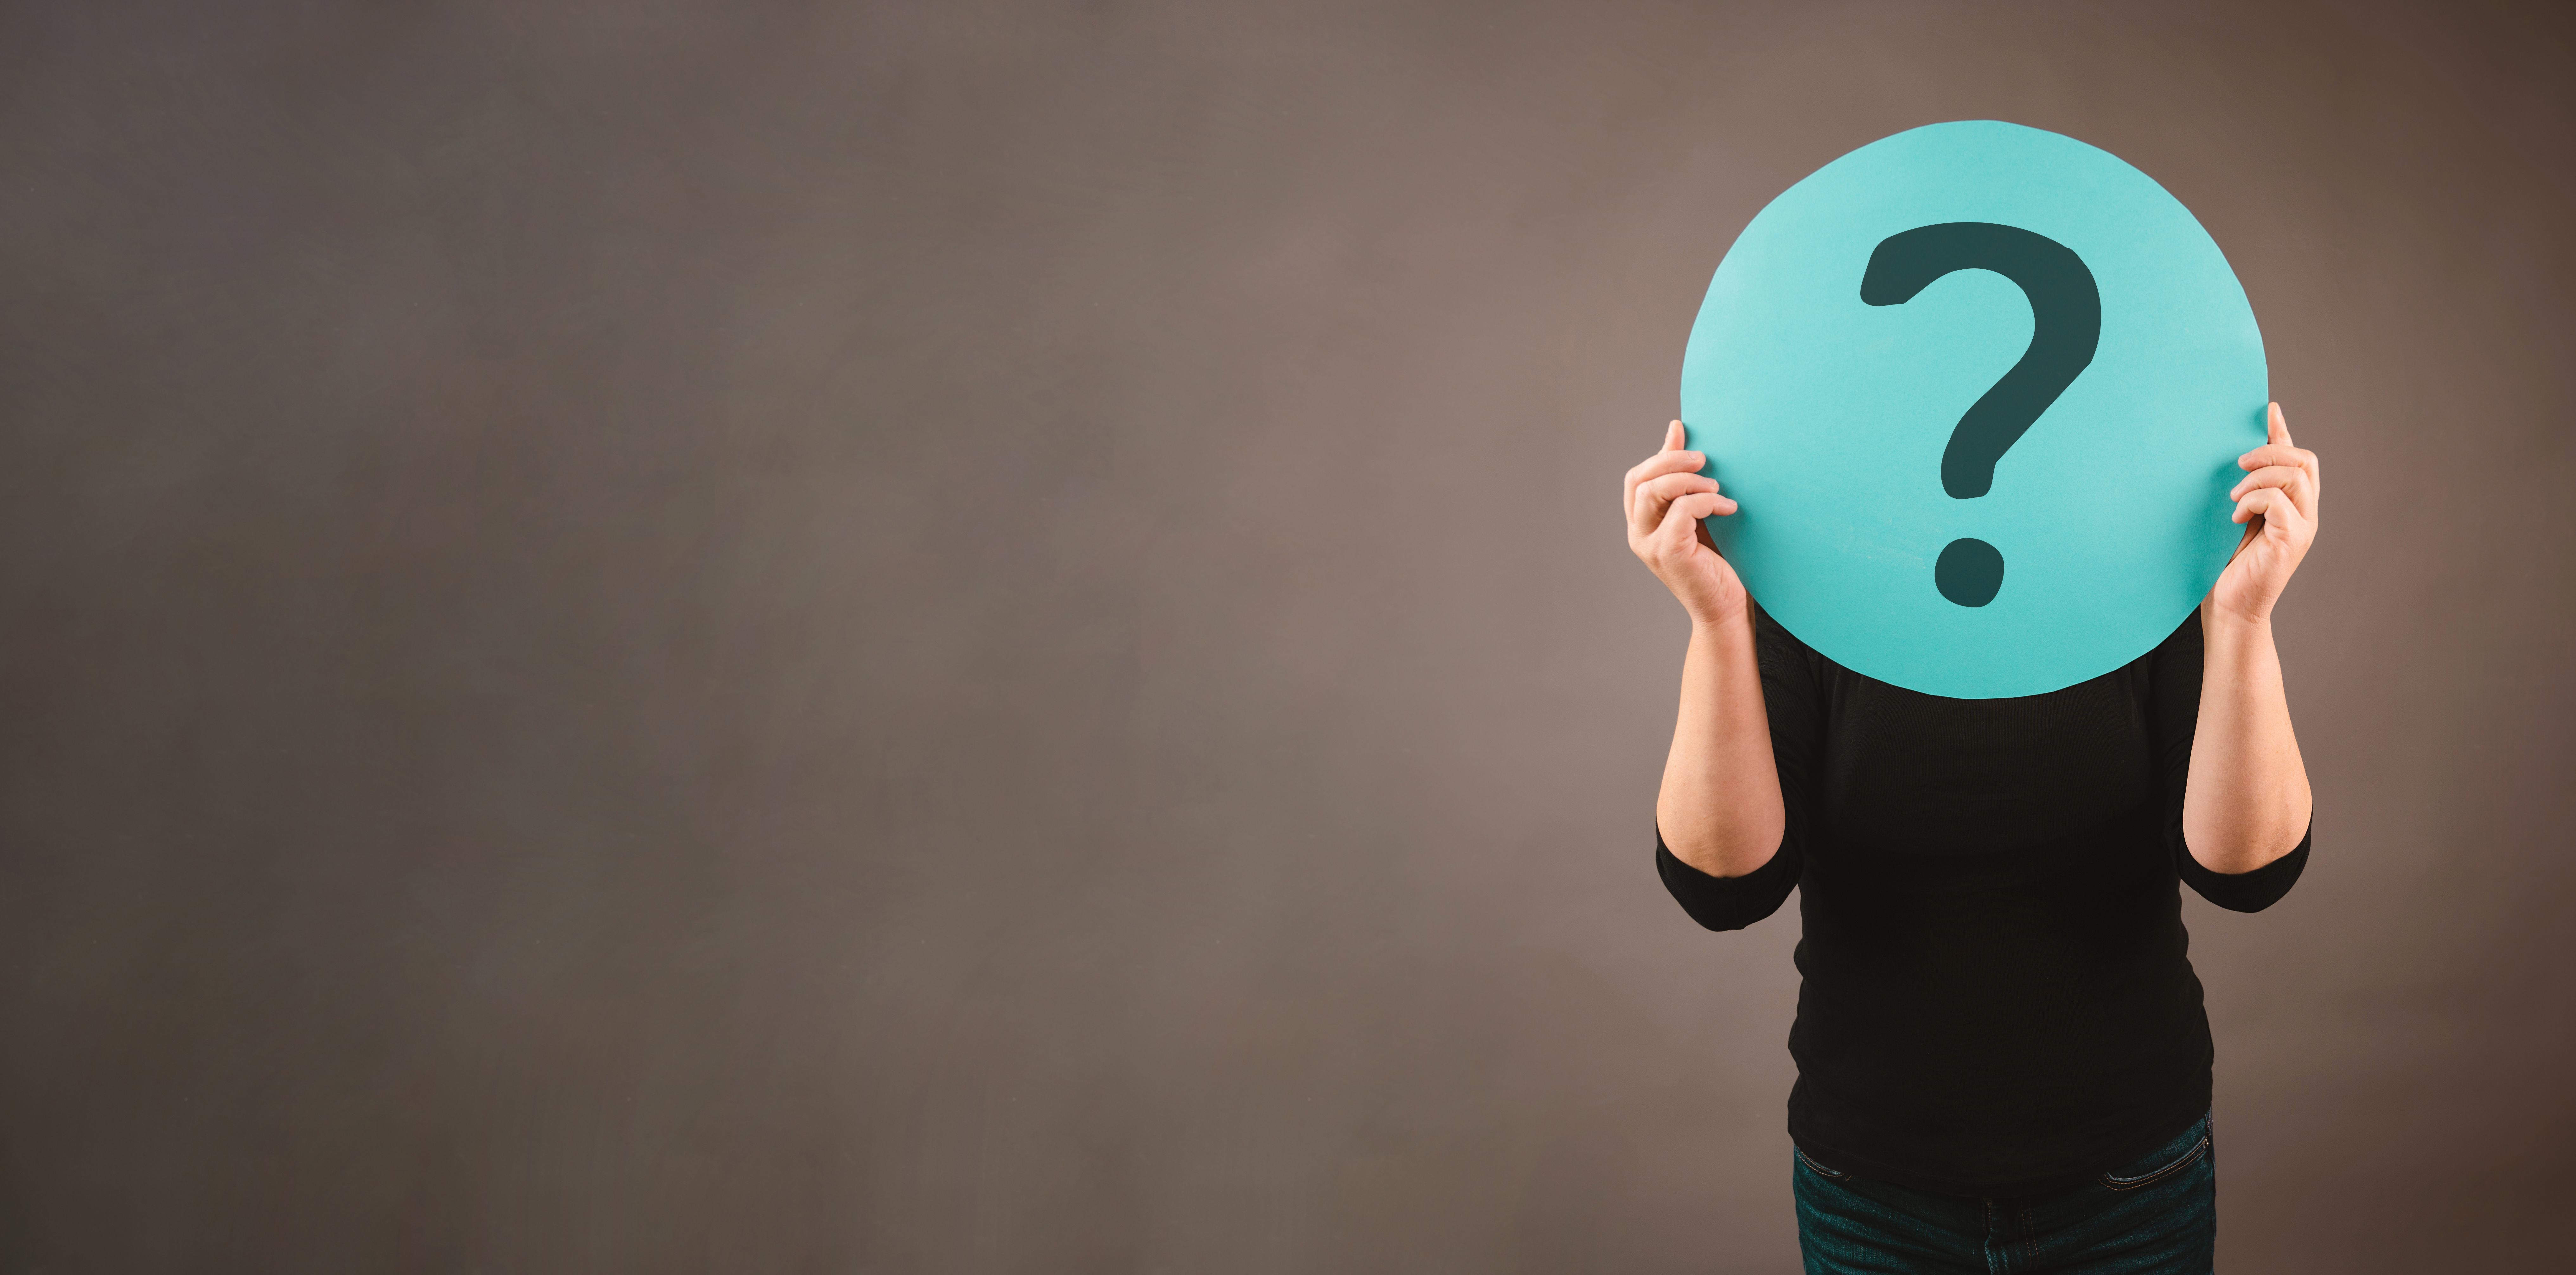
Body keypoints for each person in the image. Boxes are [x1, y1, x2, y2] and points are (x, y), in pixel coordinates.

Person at [1623, 405, 2320, 1274]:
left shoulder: (2140, 589)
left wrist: (2242, 621)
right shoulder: (1813, 601)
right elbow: (1724, 886)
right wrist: (1718, 621)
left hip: (2128, 1181)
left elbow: (2248, 872)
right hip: (1872, 1194)